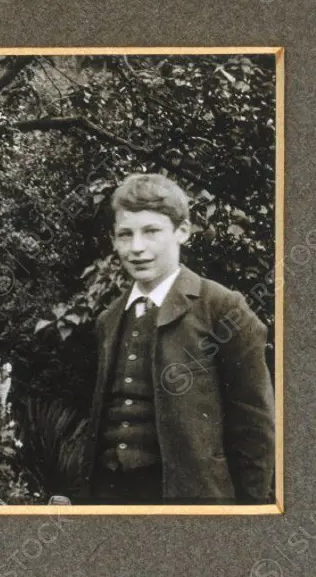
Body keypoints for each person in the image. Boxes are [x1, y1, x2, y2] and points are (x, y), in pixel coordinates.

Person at [79, 173, 275, 504]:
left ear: (182, 231)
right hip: (110, 500)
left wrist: (250, 519)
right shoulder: (109, 319)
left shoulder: (222, 308)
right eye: (125, 235)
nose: (137, 247)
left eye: (151, 232)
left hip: (191, 503)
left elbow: (254, 429)